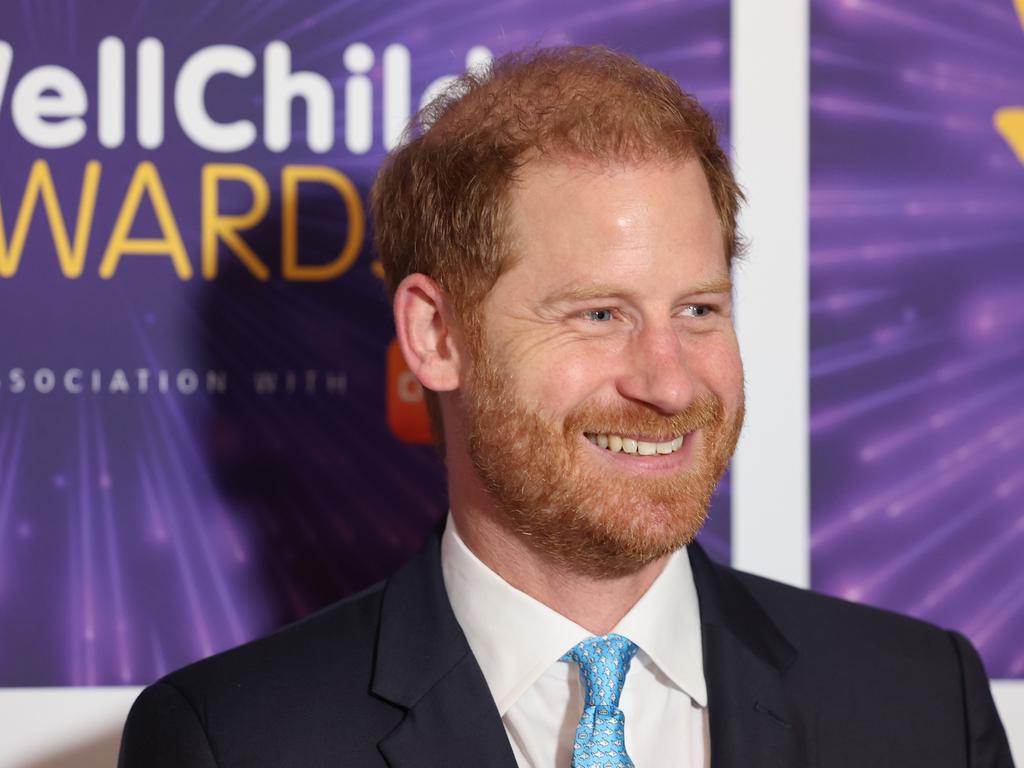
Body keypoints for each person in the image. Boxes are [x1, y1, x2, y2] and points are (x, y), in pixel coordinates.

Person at [119, 46, 1014, 768]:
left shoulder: (920, 703)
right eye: (599, 314)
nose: (667, 382)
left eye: (698, 309)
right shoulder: (231, 742)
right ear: (435, 336)